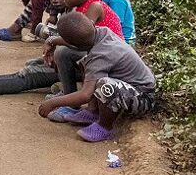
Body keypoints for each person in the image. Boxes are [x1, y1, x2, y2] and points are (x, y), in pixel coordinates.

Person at [37, 13, 155, 142]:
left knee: (105, 85)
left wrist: (53, 103)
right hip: (129, 87)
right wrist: (52, 40)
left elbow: (85, 95)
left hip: (143, 97)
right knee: (87, 64)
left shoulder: (101, 55)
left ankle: (105, 127)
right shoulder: (102, 32)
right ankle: (92, 111)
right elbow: (76, 41)